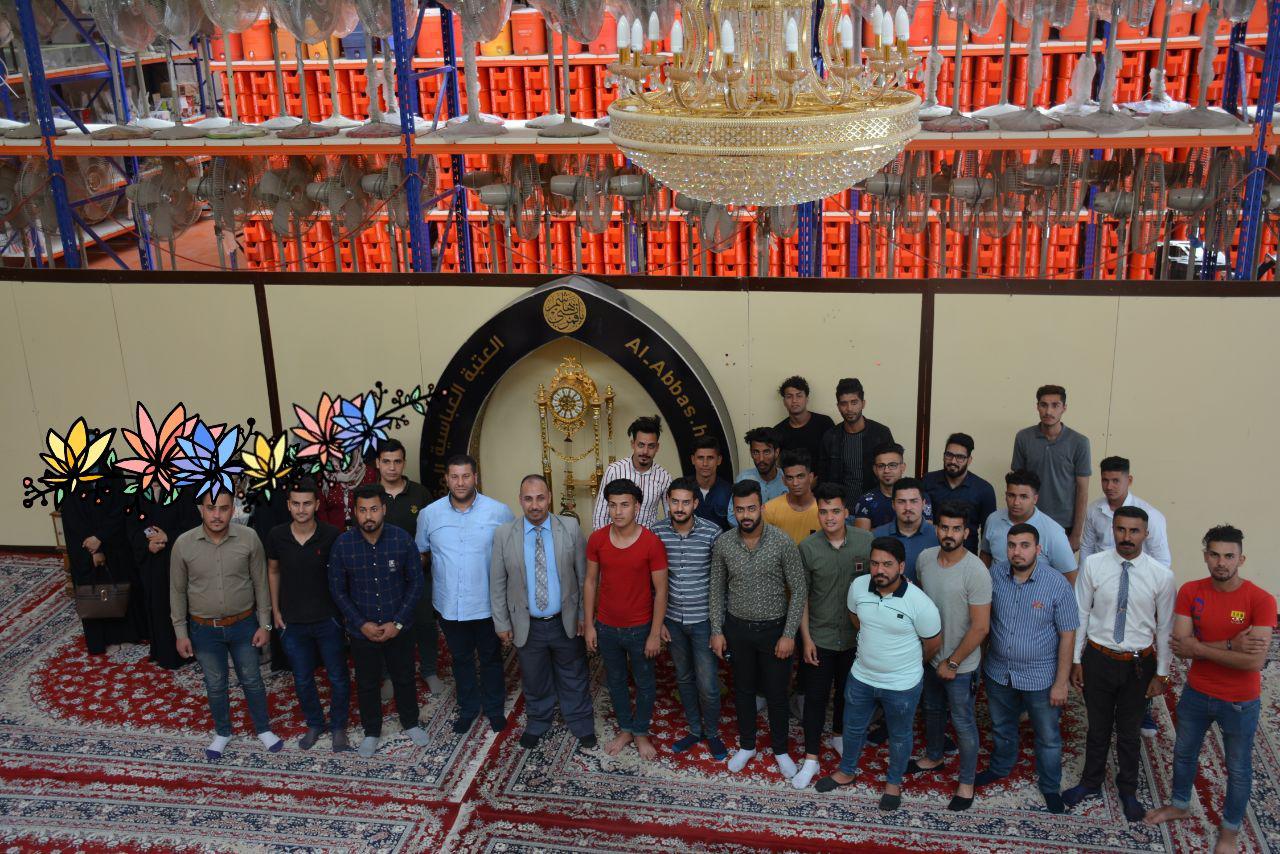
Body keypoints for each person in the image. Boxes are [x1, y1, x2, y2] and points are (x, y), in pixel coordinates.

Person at [1144, 525, 1276, 854]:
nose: (1221, 562)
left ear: (1241, 559)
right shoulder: (1191, 591)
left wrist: (1200, 648)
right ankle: (1179, 805)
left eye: (1229, 556)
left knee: (1238, 769)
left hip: (1240, 701)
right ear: (1205, 556)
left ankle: (1229, 832)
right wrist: (1231, 645)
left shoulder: (1261, 600)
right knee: (1184, 753)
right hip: (1197, 692)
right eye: (1215, 555)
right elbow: (1181, 647)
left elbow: (1253, 662)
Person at [1063, 506, 1176, 821]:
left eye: (1134, 531)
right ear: (1112, 529)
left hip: (1138, 664)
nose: (1127, 537)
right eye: (1121, 529)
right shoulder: (1093, 565)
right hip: (1098, 658)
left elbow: (1165, 628)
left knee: (1129, 731)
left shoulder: (1162, 576)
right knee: (1097, 727)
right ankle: (1090, 782)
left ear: (1146, 534)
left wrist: (1162, 673)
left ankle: (1128, 789)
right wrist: (1076, 660)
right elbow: (1080, 613)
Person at [814, 538, 941, 812]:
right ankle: (846, 771)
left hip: (902, 685)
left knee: (899, 735)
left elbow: (933, 644)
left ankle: (893, 783)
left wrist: (908, 665)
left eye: (887, 564)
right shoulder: (858, 586)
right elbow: (856, 619)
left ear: (901, 566)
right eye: (874, 563)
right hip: (861, 677)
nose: (879, 570)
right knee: (852, 727)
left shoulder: (920, 603)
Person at [170, 490, 282, 760]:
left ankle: (263, 729)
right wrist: (180, 633)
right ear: (201, 510)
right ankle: (223, 732)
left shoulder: (249, 538)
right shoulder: (183, 544)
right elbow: (177, 591)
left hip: (244, 625)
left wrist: (265, 626)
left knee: (252, 679)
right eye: (211, 508)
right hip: (204, 629)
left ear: (233, 509)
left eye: (223, 508)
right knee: (215, 683)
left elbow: (261, 585)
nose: (217, 515)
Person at [975, 524, 1078, 814]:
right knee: (1002, 726)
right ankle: (1000, 767)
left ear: (1038, 549)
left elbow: (1068, 635)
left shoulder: (1056, 584)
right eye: (1012, 545)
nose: (1017, 552)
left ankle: (1050, 786)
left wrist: (1061, 682)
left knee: (1047, 736)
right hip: (999, 672)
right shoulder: (994, 575)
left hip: (1041, 677)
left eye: (1024, 545)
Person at [490, 475, 596, 750]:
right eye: (528, 499)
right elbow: (497, 582)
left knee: (574, 675)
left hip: (565, 621)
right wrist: (501, 622)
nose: (534, 505)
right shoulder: (504, 534)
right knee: (535, 678)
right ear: (520, 500)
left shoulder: (570, 527)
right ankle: (538, 722)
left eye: (540, 498)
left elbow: (584, 577)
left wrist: (584, 617)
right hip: (527, 623)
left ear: (549, 497)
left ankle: (581, 723)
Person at [710, 480, 807, 780]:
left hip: (774, 631)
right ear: (734, 510)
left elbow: (799, 589)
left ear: (762, 507)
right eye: (740, 510)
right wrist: (717, 630)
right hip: (737, 630)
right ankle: (748, 745)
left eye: (751, 508)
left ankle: (780, 750)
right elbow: (716, 589)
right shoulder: (724, 543)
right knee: (743, 691)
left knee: (777, 694)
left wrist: (789, 634)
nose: (746, 515)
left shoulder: (782, 542)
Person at [329, 484, 429, 758]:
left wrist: (397, 623)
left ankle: (410, 722)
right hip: (363, 631)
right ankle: (372, 731)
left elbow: (416, 584)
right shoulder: (343, 545)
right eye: (362, 510)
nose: (368, 516)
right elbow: (338, 590)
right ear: (355, 512)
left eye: (374, 509)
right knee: (367, 683)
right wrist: (361, 624)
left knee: (404, 677)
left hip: (399, 628)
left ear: (383, 509)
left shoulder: (401, 539)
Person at [416, 454, 515, 734]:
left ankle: (494, 709)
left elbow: (512, 554)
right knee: (460, 660)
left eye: (466, 476)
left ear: (475, 478)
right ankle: (468, 708)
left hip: (486, 604)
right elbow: (421, 553)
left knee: (491, 659)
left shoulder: (499, 512)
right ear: (446, 479)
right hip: (450, 605)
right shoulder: (429, 515)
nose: (460, 483)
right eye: (454, 477)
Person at [908, 502, 991, 811]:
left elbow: (981, 627)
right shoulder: (925, 559)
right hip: (931, 657)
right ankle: (934, 756)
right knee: (931, 711)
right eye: (944, 527)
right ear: (936, 528)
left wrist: (953, 662)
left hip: (961, 664)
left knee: (962, 722)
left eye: (956, 529)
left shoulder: (976, 571)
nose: (949, 534)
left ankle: (967, 782)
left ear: (966, 533)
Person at [791, 481, 874, 790]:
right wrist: (806, 640)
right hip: (820, 638)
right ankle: (811, 758)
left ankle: (839, 735)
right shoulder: (807, 548)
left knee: (847, 694)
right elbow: (801, 597)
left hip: (854, 638)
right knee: (814, 699)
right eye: (824, 512)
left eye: (835, 511)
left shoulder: (865, 542)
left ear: (846, 512)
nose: (829, 518)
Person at [584, 479, 669, 760]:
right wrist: (589, 624)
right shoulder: (597, 539)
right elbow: (590, 582)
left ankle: (641, 731)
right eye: (612, 505)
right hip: (607, 626)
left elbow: (661, 590)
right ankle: (625, 729)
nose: (618, 511)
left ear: (637, 507)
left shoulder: (651, 543)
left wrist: (655, 633)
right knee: (616, 680)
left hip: (640, 628)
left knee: (644, 682)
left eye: (624, 505)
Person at [265, 478, 349, 752]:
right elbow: (273, 571)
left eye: (307, 504)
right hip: (292, 621)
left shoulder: (332, 534)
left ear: (316, 505)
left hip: (328, 619)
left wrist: (343, 612)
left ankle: (338, 726)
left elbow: (342, 575)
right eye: (296, 504)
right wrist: (275, 610)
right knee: (302, 678)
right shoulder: (277, 535)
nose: (301, 509)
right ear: (288, 505)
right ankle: (314, 723)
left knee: (337, 677)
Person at [651, 477, 726, 759]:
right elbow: (651, 582)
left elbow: (721, 582)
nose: (679, 508)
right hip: (672, 620)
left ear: (695, 503)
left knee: (708, 684)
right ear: (667, 502)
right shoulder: (656, 533)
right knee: (683, 678)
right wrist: (659, 623)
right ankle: (695, 730)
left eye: (685, 502)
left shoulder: (712, 533)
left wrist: (717, 627)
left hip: (703, 620)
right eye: (675, 502)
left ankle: (713, 733)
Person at [374, 439, 444, 694]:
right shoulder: (370, 494)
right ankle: (388, 676)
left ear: (404, 463)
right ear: (378, 463)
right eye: (386, 462)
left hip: (418, 574)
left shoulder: (420, 494)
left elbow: (433, 534)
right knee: (385, 626)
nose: (392, 467)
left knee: (425, 624)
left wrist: (423, 559)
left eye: (397, 461)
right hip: (381, 577)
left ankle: (429, 670)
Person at [63, 482, 145, 655]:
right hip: (85, 546)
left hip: (115, 542)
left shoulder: (112, 475)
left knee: (120, 584)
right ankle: (106, 639)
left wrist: (102, 537)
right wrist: (95, 548)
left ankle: (127, 634)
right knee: (98, 590)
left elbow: (121, 507)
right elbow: (73, 518)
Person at [1011, 384, 1091, 551]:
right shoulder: (1023, 437)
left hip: (1063, 524)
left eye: (1055, 405)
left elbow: (1082, 490)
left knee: (1059, 568)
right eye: (1044, 405)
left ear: (1064, 408)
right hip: (1029, 520)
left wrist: (1076, 534)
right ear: (1037, 407)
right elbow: (1016, 484)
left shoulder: (1079, 442)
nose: (1048, 411)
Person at [129, 483, 200, 669]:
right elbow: (131, 528)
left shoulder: (182, 491)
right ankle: (163, 651)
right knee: (157, 605)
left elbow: (193, 526)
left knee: (179, 603)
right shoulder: (137, 493)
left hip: (176, 559)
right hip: (151, 561)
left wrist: (168, 537)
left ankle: (186, 651)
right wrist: (147, 545)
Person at [980, 470, 1077, 582]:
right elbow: (985, 554)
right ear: (1006, 495)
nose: (1016, 502)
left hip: (1038, 592)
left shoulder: (1053, 532)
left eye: (1023, 497)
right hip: (997, 590)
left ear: (1035, 499)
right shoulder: (993, 519)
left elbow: (1070, 577)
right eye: (1011, 495)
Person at [1080, 456, 1171, 565]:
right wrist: (1083, 573)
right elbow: (1087, 547)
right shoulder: (1094, 509)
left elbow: (1162, 560)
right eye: (1105, 480)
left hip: (1136, 573)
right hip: (1100, 573)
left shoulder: (1150, 515)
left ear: (1129, 480)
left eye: (1115, 481)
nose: (1109, 487)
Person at [818, 378, 895, 505]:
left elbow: (892, 471)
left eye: (854, 402)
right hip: (841, 508)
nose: (849, 408)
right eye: (844, 404)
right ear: (838, 406)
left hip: (875, 506)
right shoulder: (830, 437)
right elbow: (823, 477)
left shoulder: (881, 433)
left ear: (863, 403)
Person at [591, 415, 673, 530]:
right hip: (616, 537)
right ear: (633, 444)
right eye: (641, 445)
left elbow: (671, 516)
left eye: (651, 446)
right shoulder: (614, 470)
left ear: (657, 447)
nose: (645, 451)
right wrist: (605, 540)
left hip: (647, 538)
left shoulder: (664, 477)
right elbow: (600, 514)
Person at [922, 433, 996, 554]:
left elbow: (988, 533)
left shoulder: (984, 489)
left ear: (969, 460)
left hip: (966, 556)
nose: (953, 461)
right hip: (931, 553)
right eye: (949, 455)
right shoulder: (928, 481)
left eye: (960, 457)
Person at [871, 479, 938, 582]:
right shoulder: (877, 535)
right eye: (901, 502)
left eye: (914, 501)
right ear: (893, 505)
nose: (908, 507)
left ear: (923, 504)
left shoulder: (937, 536)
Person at [853, 442, 930, 531]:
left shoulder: (919, 496)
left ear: (903, 467)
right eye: (881, 466)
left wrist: (876, 530)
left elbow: (926, 533)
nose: (886, 470)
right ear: (875, 469)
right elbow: (863, 537)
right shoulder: (866, 500)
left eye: (892, 465)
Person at [727, 427, 787, 526]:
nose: (761, 459)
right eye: (756, 452)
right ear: (751, 453)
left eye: (766, 452)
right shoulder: (743, 478)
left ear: (776, 452)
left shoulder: (787, 480)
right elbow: (732, 517)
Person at [774, 375, 835, 465]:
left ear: (807, 399)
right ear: (784, 402)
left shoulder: (824, 423)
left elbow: (835, 457)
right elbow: (778, 464)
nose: (794, 400)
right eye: (789, 396)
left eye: (799, 396)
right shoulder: (778, 431)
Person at [763, 449, 820, 544]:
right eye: (790, 478)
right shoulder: (770, 510)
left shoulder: (823, 511)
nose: (795, 483)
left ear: (810, 477)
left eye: (800, 476)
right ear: (784, 480)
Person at [689, 436, 732, 531]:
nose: (705, 463)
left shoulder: (729, 491)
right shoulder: (683, 489)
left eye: (710, 458)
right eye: (700, 458)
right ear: (693, 459)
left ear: (719, 460)